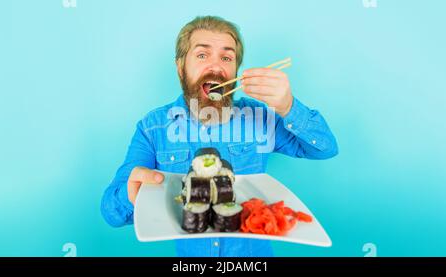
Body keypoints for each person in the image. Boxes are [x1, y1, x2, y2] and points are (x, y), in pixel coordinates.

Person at [101, 15, 338, 257]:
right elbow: (111, 213)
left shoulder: (258, 117)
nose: (216, 67)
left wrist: (289, 107)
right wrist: (131, 195)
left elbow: (325, 148)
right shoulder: (153, 128)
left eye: (227, 57)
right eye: (202, 55)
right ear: (180, 67)